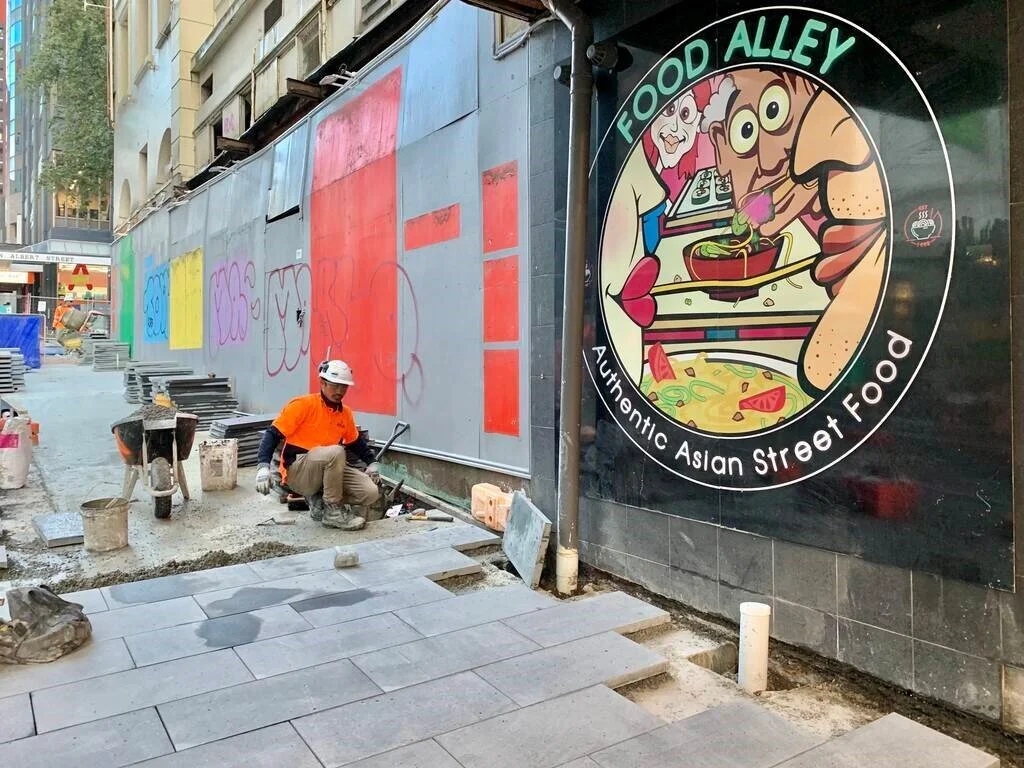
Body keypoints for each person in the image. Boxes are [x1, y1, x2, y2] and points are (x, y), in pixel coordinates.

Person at [254, 360, 381, 530]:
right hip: (299, 471)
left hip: (328, 468)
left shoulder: (345, 414)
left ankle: (321, 501)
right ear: (322, 383)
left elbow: (355, 442)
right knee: (335, 453)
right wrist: (263, 467)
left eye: (344, 386)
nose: (340, 391)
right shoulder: (303, 405)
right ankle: (333, 512)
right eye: (335, 385)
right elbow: (272, 434)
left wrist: (372, 463)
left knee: (370, 492)